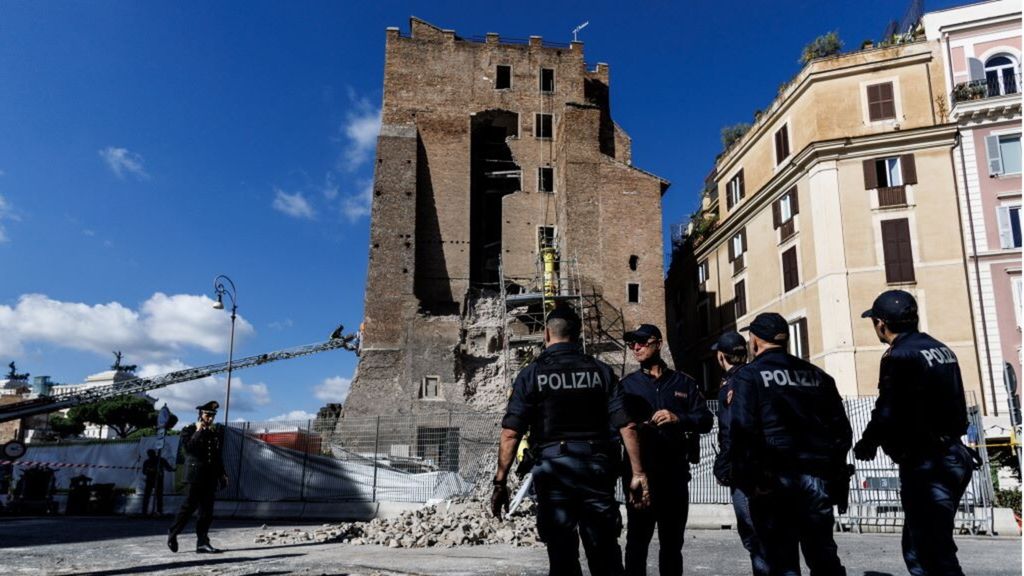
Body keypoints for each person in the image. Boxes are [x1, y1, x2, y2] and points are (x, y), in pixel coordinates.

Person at [492, 304, 650, 576]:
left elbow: (511, 433)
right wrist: (638, 473)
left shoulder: (531, 375)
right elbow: (627, 426)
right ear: (578, 335)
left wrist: (500, 482)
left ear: (546, 334)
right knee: (605, 556)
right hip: (595, 471)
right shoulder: (601, 371)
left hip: (554, 474)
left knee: (562, 557)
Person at [854, 290, 976, 576]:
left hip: (928, 462)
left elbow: (888, 407)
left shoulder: (899, 355)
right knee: (919, 546)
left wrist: (868, 442)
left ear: (882, 324)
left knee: (933, 551)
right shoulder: (941, 348)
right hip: (954, 456)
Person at [729, 312, 851, 576]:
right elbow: (842, 432)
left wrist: (751, 480)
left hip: (774, 481)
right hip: (816, 480)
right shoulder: (818, 376)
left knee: (779, 561)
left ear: (755, 340)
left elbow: (741, 432)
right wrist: (834, 473)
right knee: (823, 556)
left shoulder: (749, 376)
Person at [619, 323, 712, 576]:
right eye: (631, 343)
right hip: (641, 478)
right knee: (637, 543)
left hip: (674, 477)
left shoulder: (685, 383)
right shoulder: (626, 386)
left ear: (658, 344)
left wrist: (678, 418)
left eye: (642, 342)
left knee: (672, 546)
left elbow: (706, 420)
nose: (635, 347)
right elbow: (614, 427)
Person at [711, 331, 769, 576]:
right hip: (773, 467)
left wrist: (723, 467)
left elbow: (731, 431)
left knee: (756, 540)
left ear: (721, 356)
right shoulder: (758, 375)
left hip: (746, 473)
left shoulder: (733, 384)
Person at [168, 400, 228, 554]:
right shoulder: (189, 430)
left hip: (210, 477)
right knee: (187, 508)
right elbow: (188, 449)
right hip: (194, 477)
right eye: (208, 415)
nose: (210, 418)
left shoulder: (214, 433)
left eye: (213, 415)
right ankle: (173, 534)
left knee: (207, 512)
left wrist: (222, 474)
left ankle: (202, 542)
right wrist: (198, 431)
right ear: (201, 414)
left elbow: (216, 456)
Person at [141, 448, 174, 516]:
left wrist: (172, 469)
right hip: (150, 480)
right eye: (149, 455)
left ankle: (159, 511)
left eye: (151, 454)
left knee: (159, 496)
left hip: (159, 480)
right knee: (147, 496)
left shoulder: (160, 460)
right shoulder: (147, 462)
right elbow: (144, 471)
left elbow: (168, 467)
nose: (151, 456)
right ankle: (144, 512)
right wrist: (151, 470)